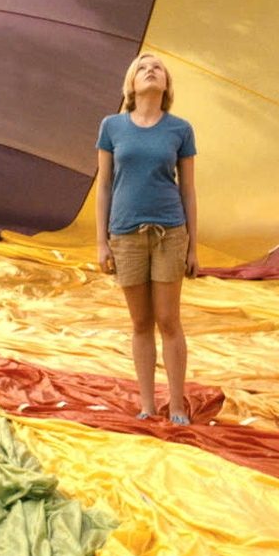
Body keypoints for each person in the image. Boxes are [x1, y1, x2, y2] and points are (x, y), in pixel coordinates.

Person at [95, 52, 198, 425]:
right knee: (141, 322)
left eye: (158, 68)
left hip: (170, 232)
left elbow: (188, 189)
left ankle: (176, 405)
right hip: (125, 234)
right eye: (142, 66)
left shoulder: (180, 130)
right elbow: (104, 185)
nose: (150, 70)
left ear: (166, 84)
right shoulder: (112, 126)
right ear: (131, 84)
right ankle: (146, 405)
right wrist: (101, 241)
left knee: (169, 319)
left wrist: (193, 247)